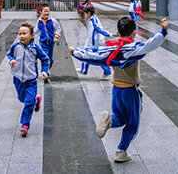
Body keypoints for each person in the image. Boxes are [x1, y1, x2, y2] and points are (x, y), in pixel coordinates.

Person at [69, 16, 170, 163]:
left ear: (117, 33)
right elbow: (151, 44)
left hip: (116, 89)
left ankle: (109, 121)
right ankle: (121, 151)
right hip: (130, 91)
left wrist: (75, 52)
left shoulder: (111, 49)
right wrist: (163, 31)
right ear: (134, 33)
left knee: (120, 117)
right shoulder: (134, 49)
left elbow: (93, 54)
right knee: (132, 123)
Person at [6, 23, 49, 137]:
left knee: (28, 103)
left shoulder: (36, 48)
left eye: (24, 34)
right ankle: (36, 99)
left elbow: (45, 59)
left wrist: (44, 71)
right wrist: (11, 61)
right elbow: (9, 55)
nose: (21, 36)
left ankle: (25, 124)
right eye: (20, 34)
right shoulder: (15, 46)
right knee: (22, 99)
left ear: (32, 35)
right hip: (18, 79)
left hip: (31, 80)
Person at [80, 5, 112, 77]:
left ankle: (106, 70)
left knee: (88, 55)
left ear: (88, 13)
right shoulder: (93, 18)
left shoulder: (92, 21)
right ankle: (84, 70)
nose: (84, 15)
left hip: (95, 42)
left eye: (85, 14)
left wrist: (110, 35)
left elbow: (98, 29)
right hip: (95, 41)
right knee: (92, 56)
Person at [36, 4, 61, 77]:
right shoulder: (39, 21)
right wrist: (30, 34)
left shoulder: (52, 21)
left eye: (48, 11)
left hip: (51, 42)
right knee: (45, 56)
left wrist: (56, 36)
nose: (47, 13)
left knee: (51, 59)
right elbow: (36, 30)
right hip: (42, 42)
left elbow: (58, 28)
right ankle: (44, 72)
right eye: (45, 11)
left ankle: (47, 69)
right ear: (41, 12)